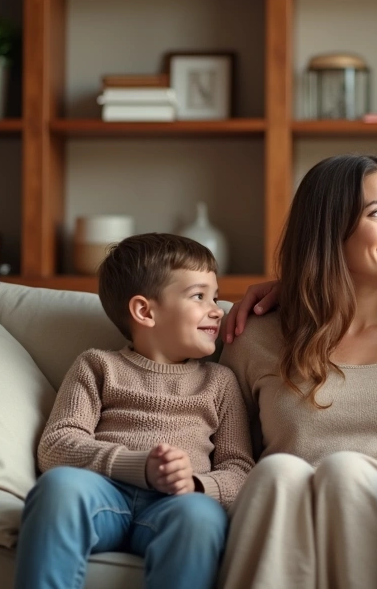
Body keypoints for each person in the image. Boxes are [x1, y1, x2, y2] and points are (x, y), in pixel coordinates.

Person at [216, 154, 377, 589]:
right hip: (285, 526)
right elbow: (229, 462)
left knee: (344, 471)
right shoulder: (253, 336)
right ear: (328, 229)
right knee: (277, 472)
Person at [14, 233, 253, 589]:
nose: (217, 310)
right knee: (58, 487)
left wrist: (196, 484)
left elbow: (240, 470)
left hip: (177, 505)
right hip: (104, 494)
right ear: (145, 311)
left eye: (215, 297)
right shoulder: (97, 366)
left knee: (201, 517)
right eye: (199, 296)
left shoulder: (220, 382)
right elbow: (56, 445)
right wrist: (138, 466)